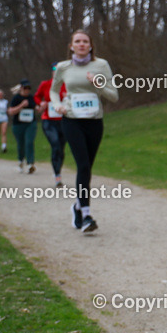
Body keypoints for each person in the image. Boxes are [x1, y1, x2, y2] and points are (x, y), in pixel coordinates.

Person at [51, 29, 119, 233]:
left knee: (87, 168)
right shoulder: (63, 67)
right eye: (77, 41)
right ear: (71, 46)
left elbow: (114, 96)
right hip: (72, 120)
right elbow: (54, 90)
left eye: (85, 41)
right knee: (82, 166)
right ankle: (87, 215)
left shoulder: (101, 65)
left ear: (90, 46)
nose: (81, 44)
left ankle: (77, 206)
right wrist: (57, 105)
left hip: (94, 121)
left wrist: (97, 83)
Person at [35, 70, 67, 187]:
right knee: (55, 144)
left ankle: (58, 171)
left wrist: (68, 97)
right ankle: (57, 175)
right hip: (48, 120)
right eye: (55, 71)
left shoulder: (67, 84)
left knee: (61, 149)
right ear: (52, 73)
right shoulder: (45, 84)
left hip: (63, 121)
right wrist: (41, 103)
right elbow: (36, 97)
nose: (57, 73)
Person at [9, 79, 38, 173]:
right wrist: (21, 105)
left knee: (29, 142)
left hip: (30, 124)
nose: (27, 90)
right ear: (21, 88)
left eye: (29, 88)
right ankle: (20, 161)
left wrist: (40, 107)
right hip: (18, 125)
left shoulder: (31, 97)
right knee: (21, 144)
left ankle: (30, 164)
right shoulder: (16, 98)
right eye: (25, 88)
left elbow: (36, 108)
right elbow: (11, 111)